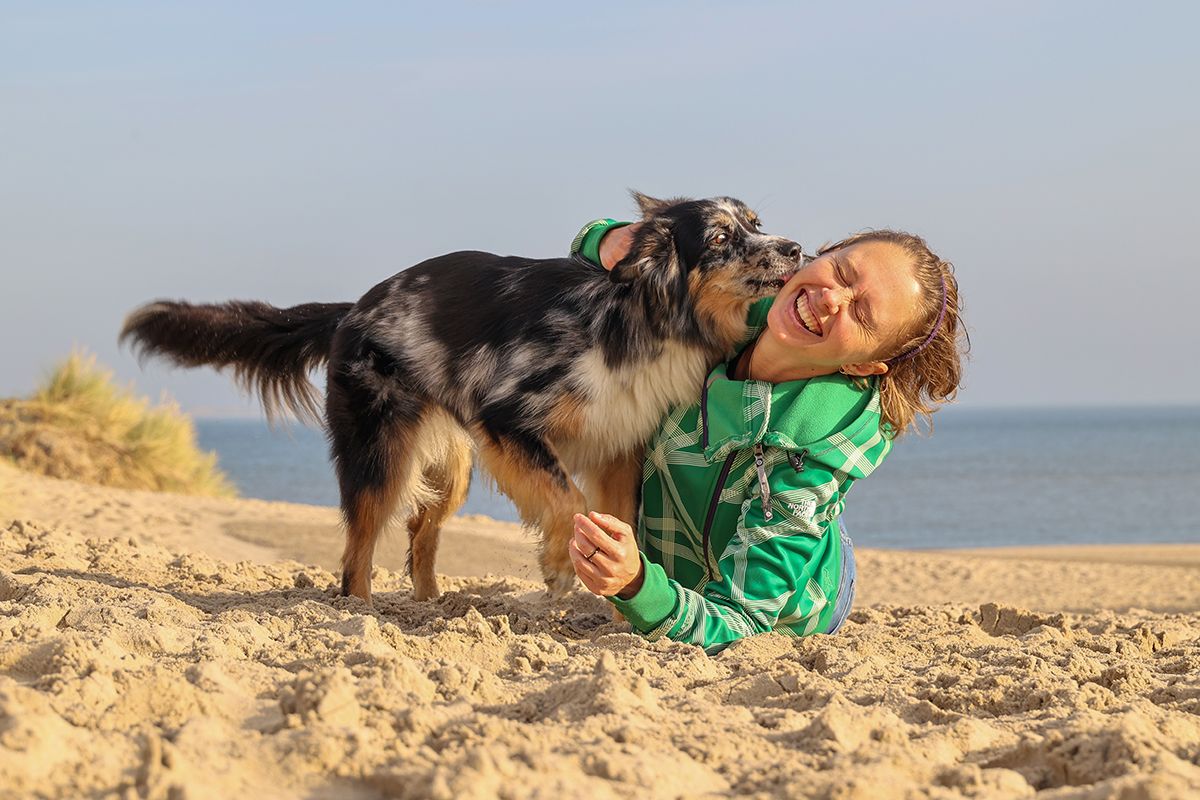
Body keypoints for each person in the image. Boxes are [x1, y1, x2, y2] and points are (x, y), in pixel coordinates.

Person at [565, 217, 967, 653]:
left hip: (797, 594)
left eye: (862, 314)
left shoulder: (806, 473)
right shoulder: (732, 299)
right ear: (824, 252)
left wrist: (638, 585)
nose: (832, 298)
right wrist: (611, 241)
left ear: (863, 367)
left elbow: (743, 623)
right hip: (740, 501)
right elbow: (594, 260)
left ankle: (819, 523)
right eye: (842, 271)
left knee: (793, 496)